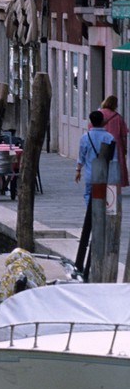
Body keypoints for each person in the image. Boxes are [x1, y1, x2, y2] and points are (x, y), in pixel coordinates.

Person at [74, 110, 117, 275]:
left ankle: (91, 219)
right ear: (103, 121)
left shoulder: (85, 138)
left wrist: (78, 170)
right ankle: (99, 220)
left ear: (91, 122)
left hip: (91, 175)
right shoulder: (110, 138)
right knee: (105, 200)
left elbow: (81, 156)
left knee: (89, 198)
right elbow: (113, 159)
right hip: (105, 175)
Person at [101, 96, 130, 188]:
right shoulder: (118, 117)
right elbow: (124, 134)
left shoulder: (98, 114)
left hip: (102, 143)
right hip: (116, 144)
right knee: (116, 164)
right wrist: (125, 147)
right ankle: (115, 183)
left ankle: (102, 182)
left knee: (102, 163)